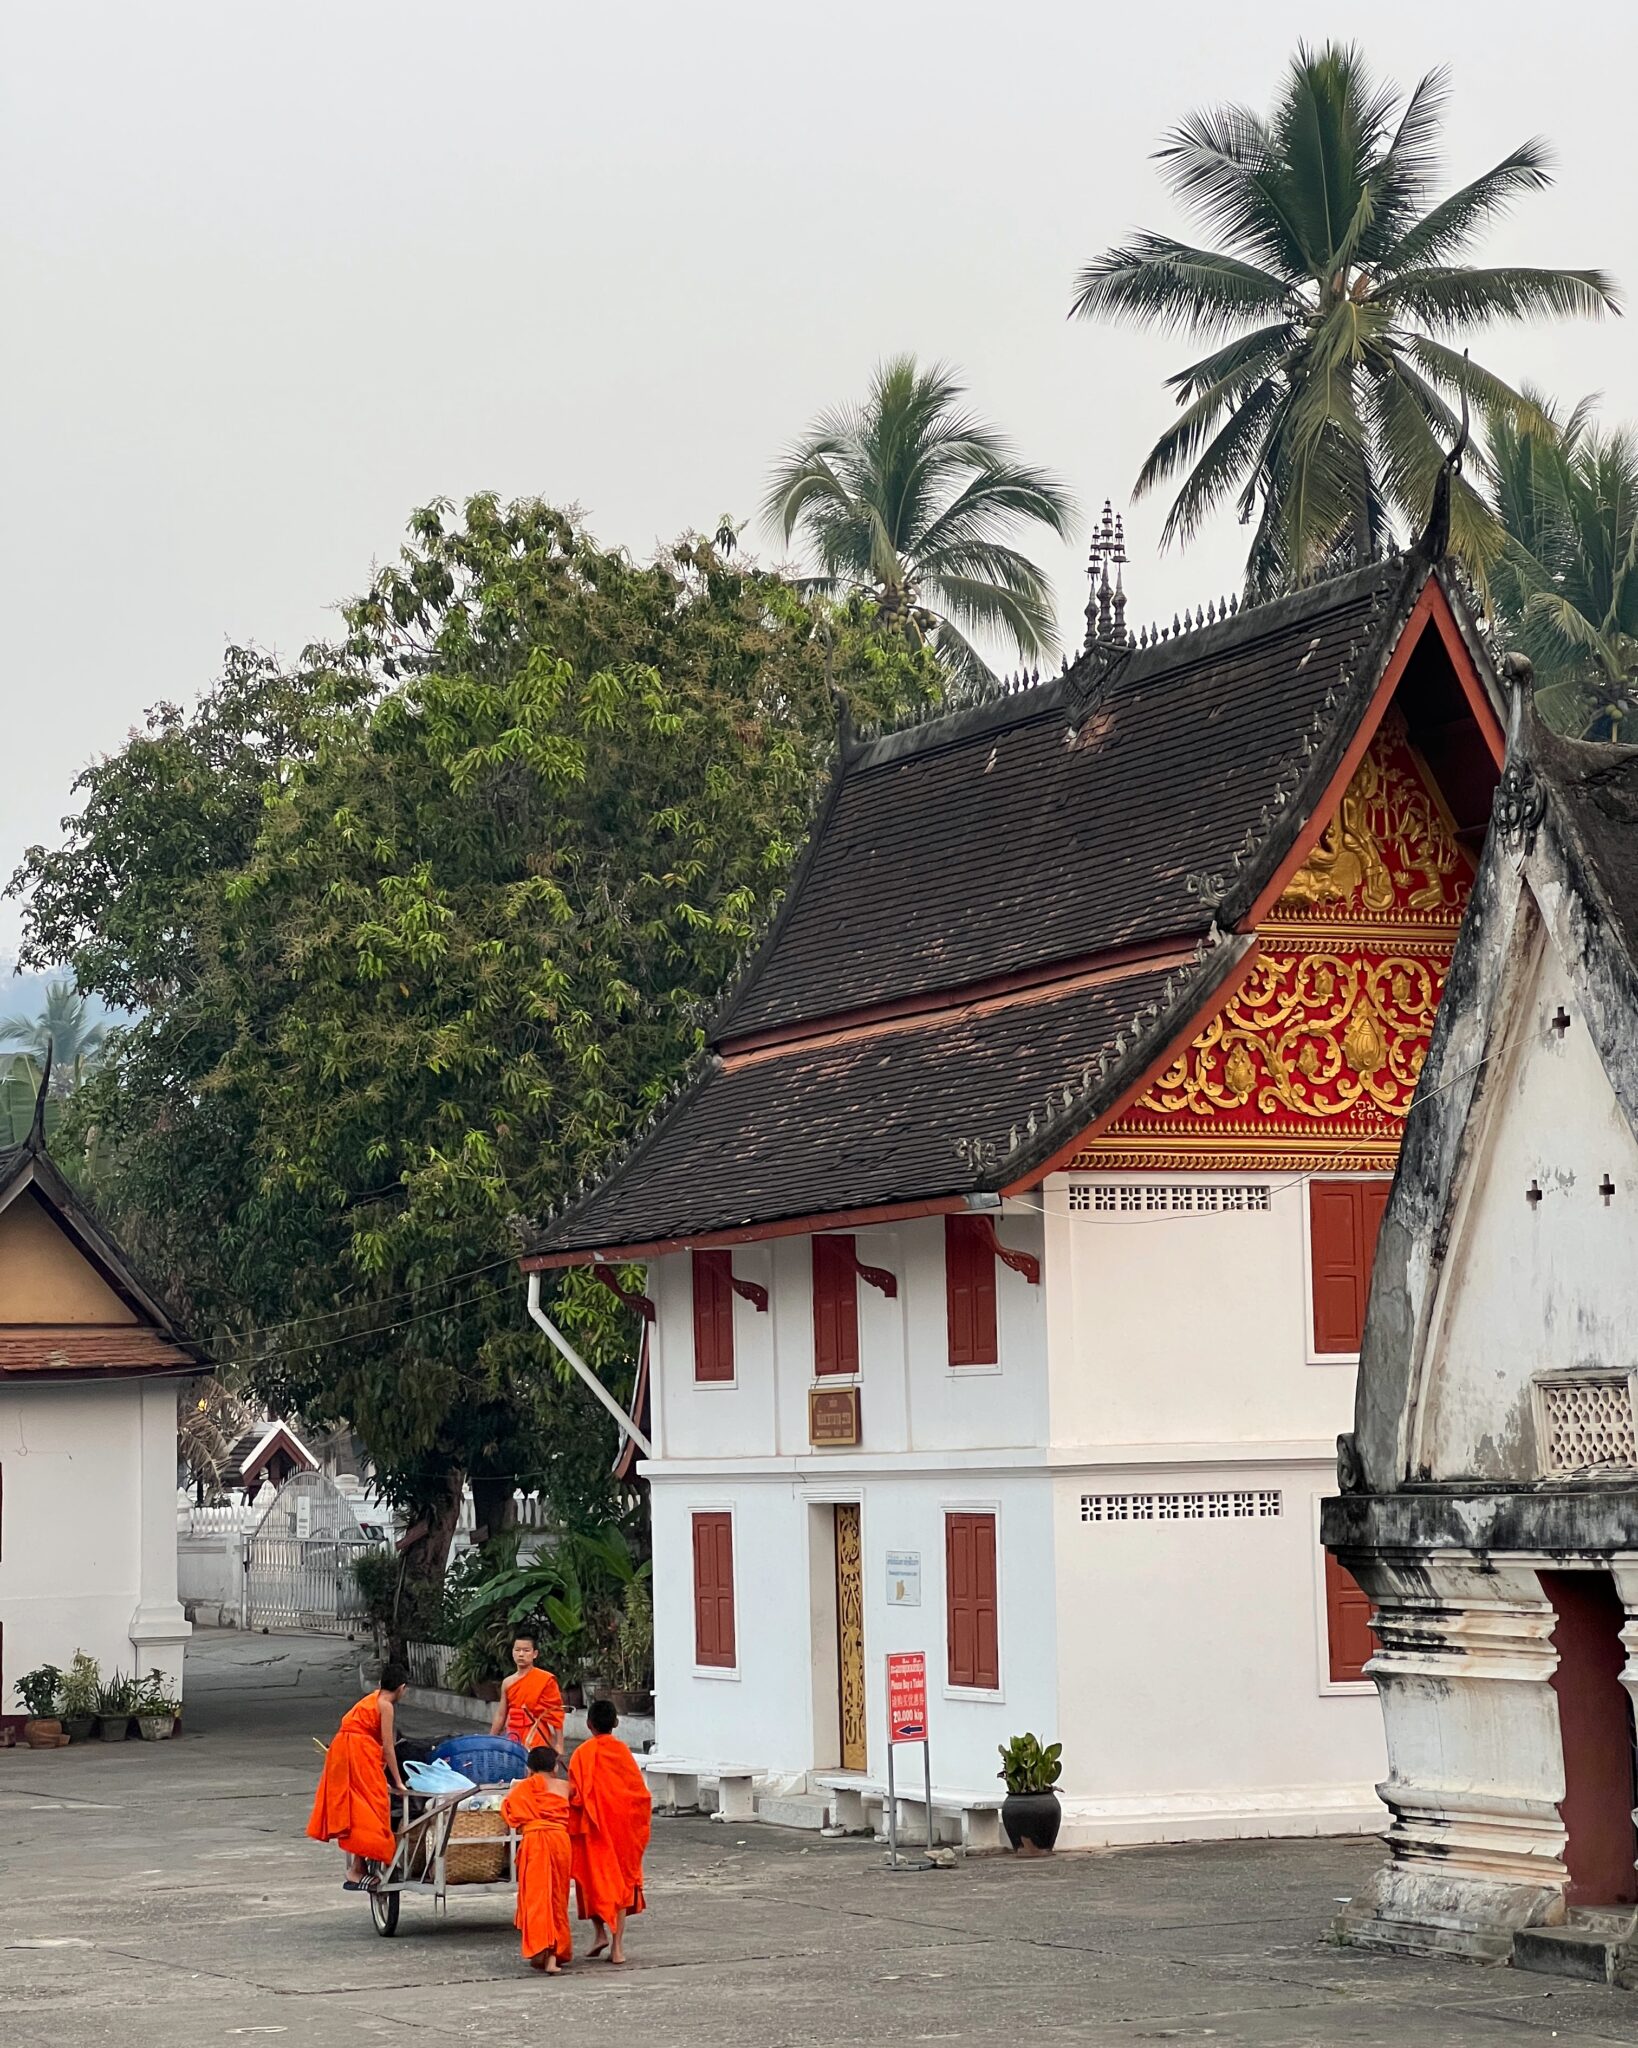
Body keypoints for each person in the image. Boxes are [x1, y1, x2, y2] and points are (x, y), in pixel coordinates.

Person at [307, 1661, 409, 1888]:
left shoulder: (374, 1697)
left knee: (358, 1808)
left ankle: (359, 1866)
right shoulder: (386, 1705)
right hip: (356, 1751)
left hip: (345, 1750)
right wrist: (399, 1782)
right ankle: (355, 1869)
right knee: (374, 1805)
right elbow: (388, 1747)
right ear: (401, 1688)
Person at [568, 1699, 651, 1965]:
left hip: (594, 1829)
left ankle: (599, 1933)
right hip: (623, 1829)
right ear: (616, 1723)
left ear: (588, 1724)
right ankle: (617, 1947)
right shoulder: (623, 1752)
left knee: (593, 1880)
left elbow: (576, 1795)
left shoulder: (582, 1753)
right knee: (621, 1883)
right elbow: (639, 1794)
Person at [501, 1745, 574, 1974]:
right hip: (559, 1842)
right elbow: (580, 1796)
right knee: (556, 1898)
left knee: (537, 1899)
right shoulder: (565, 1786)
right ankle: (553, 1955)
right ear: (554, 1766)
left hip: (534, 1842)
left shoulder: (522, 1789)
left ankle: (541, 1950)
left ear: (529, 1768)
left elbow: (510, 1813)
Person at [490, 1631, 564, 1752]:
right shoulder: (507, 1682)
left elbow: (556, 1714)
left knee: (537, 1769)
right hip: (513, 1735)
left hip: (537, 1734)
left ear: (535, 1654)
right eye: (517, 1650)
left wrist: (559, 1745)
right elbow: (501, 1715)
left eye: (526, 1650)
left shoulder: (546, 1680)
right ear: (512, 1653)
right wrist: (491, 1739)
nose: (521, 1654)